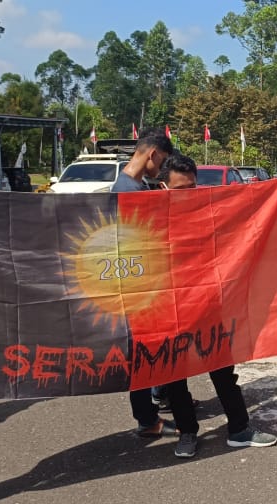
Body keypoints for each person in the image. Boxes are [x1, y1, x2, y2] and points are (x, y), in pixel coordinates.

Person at [155, 153, 277, 459]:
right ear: (162, 187)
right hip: (170, 311)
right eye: (180, 188)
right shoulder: (150, 218)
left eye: (192, 187)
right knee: (174, 377)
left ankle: (239, 430)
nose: (188, 194)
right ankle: (188, 433)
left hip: (210, 308)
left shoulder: (208, 212)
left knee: (223, 372)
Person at [111, 133, 178, 440]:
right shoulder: (126, 189)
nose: (162, 169)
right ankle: (147, 418)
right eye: (162, 161)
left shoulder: (137, 186)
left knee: (147, 352)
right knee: (141, 354)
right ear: (152, 154)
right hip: (135, 285)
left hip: (142, 282)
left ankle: (152, 408)